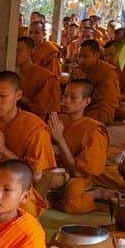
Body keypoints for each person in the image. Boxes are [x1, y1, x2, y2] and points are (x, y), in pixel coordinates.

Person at [0, 72, 55, 216]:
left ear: (18, 95)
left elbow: (35, 175)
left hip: (21, 197)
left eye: (3, 96)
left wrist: (3, 150)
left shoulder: (35, 128)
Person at [47, 79, 116, 214]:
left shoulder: (93, 130)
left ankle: (96, 194)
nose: (66, 101)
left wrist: (60, 140)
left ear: (87, 101)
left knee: (73, 202)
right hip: (55, 173)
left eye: (73, 97)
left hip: (79, 177)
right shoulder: (57, 120)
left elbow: (78, 173)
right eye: (65, 96)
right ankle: (52, 198)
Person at [72, 40, 120, 124]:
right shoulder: (78, 70)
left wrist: (83, 84)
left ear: (96, 55)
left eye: (85, 57)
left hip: (100, 109)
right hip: (81, 106)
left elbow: (106, 99)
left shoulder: (108, 72)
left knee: (76, 118)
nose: (81, 60)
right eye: (80, 56)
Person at [15, 37, 61, 116]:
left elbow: (47, 109)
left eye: (18, 51)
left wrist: (24, 99)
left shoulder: (46, 77)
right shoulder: (13, 73)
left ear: (31, 51)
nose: (14, 54)